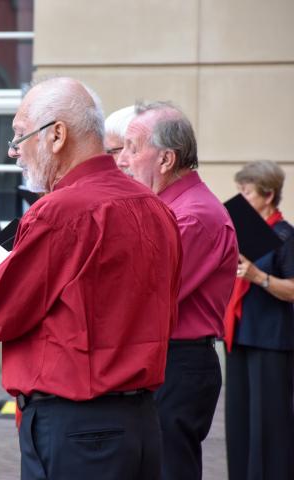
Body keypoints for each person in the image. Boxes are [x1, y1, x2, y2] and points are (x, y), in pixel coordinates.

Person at [0, 77, 182, 479]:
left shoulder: (60, 211)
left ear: (56, 136)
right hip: (138, 421)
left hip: (76, 425)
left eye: (19, 136)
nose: (14, 151)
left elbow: (3, 309)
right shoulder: (154, 207)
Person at [116, 101, 238, 480]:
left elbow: (145, 293)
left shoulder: (192, 215)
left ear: (167, 159)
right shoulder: (171, 208)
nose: (122, 160)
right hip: (168, 360)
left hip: (179, 363)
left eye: (132, 148)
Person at [223, 160, 294, 480]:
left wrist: (259, 277)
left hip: (270, 340)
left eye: (247, 192)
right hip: (239, 336)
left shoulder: (285, 235)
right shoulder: (246, 231)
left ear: (268, 195)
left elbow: (292, 289)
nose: (241, 199)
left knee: (268, 424)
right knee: (240, 422)